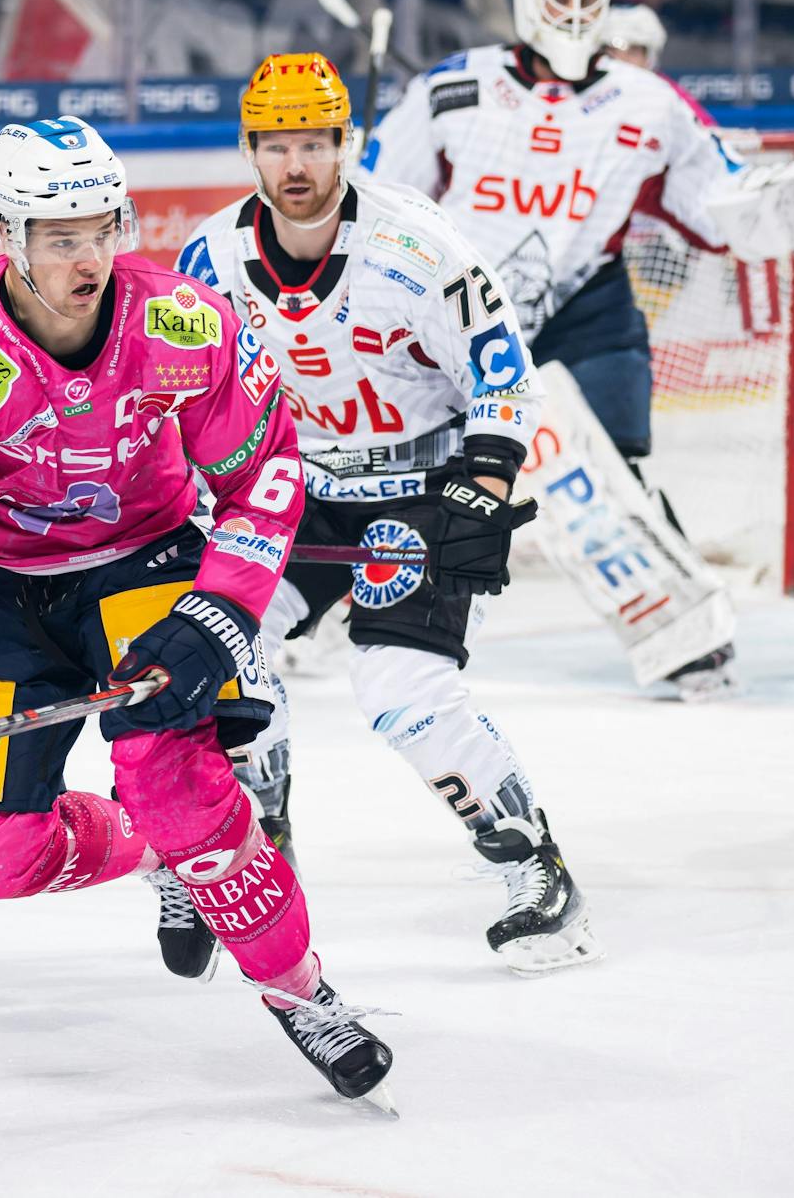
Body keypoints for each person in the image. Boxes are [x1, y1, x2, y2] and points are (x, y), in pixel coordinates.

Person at [0, 115, 394, 1104]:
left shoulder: (182, 325)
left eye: (101, 227)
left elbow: (263, 479)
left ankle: (298, 989)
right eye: (59, 236)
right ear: (6, 234)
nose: (89, 257)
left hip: (145, 563)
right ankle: (147, 848)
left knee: (179, 779)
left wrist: (218, 611)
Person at [177, 52, 601, 977]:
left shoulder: (415, 248)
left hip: (421, 484)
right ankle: (256, 845)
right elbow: (185, 391)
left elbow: (502, 369)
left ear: (349, 145)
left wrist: (483, 479)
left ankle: (537, 868)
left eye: (316, 143)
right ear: (249, 150)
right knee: (212, 649)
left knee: (401, 688)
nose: (298, 166)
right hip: (294, 488)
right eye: (277, 145)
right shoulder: (208, 259)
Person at [365, 0, 794, 701]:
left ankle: (679, 630)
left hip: (585, 304)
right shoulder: (453, 84)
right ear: (528, 4)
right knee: (399, 467)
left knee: (610, 474)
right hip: (460, 311)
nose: (572, 16)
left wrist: (787, 203)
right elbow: (379, 195)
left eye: (586, 1)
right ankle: (334, 601)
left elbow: (719, 199)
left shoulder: (647, 101)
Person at [602, 2, 714, 124]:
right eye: (612, 52)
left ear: (649, 58)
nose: (621, 61)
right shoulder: (586, 92)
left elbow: (706, 133)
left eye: (632, 52)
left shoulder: (669, 94)